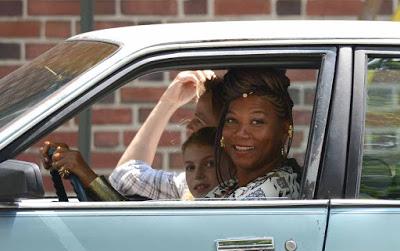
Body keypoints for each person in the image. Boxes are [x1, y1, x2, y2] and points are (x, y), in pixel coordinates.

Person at [40, 70, 224, 200]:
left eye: (200, 121)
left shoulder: (224, 189)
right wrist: (168, 102)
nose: (189, 126)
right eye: (191, 167)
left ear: (226, 135)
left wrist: (84, 173)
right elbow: (126, 177)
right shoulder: (187, 183)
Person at [205, 68, 301, 199]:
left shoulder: (270, 192)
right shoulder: (231, 186)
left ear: (285, 129)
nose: (241, 133)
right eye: (231, 120)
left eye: (257, 122)